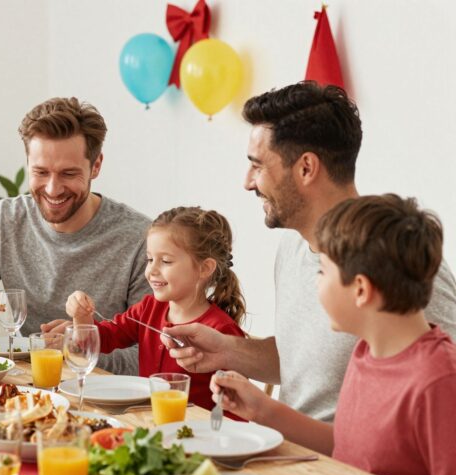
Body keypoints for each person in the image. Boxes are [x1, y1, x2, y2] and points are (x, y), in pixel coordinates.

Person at [164, 82, 456, 421]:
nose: (247, 182)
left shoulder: (396, 262)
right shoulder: (292, 245)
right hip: (286, 452)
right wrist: (227, 350)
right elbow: (309, 366)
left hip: (347, 469)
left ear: (306, 168)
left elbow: (445, 385)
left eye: (257, 165)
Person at [209, 194, 456, 475]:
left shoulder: (438, 381)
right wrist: (261, 408)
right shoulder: (366, 352)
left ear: (361, 290)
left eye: (322, 272)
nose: (315, 284)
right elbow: (348, 447)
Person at [0, 97, 151, 375]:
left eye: (68, 173)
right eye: (40, 172)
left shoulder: (138, 238)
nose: (53, 189)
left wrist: (80, 350)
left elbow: (151, 355)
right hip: (26, 391)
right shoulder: (5, 220)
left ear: (96, 166)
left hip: (104, 396)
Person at [66, 206, 246, 410]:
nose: (151, 270)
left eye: (166, 261)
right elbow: (103, 340)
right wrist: (81, 318)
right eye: (150, 259)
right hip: (150, 426)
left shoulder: (222, 332)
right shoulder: (149, 308)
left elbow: (237, 409)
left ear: (204, 268)